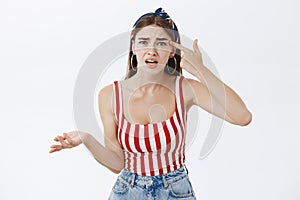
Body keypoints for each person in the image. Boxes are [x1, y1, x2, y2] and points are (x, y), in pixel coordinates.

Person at [49, 7, 252, 200]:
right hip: (127, 191)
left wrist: (200, 71)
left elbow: (242, 117)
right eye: (144, 42)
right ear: (133, 47)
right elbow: (117, 163)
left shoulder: (185, 89)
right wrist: (86, 138)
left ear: (172, 51)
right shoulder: (110, 95)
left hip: (175, 191)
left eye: (162, 43)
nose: (152, 50)